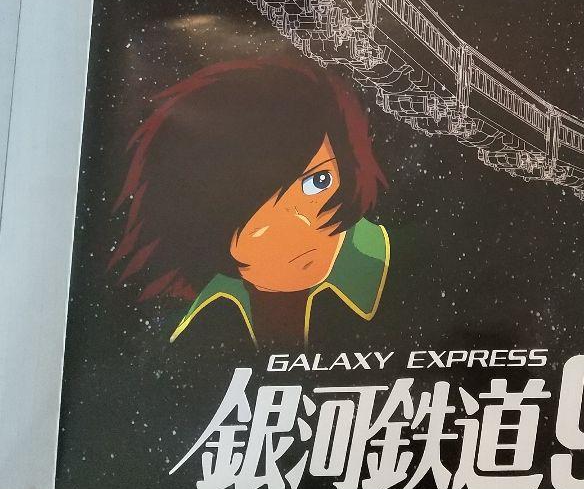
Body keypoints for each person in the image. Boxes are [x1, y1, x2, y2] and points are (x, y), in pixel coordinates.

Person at [110, 57, 389, 349]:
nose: (300, 224)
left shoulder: (392, 272)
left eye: (319, 182)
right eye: (255, 202)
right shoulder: (191, 325)